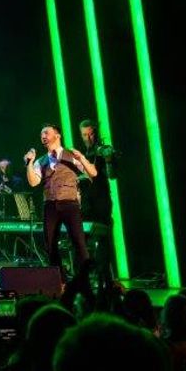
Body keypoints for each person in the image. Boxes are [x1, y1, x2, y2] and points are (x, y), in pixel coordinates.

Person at [25, 123, 93, 278]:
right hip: (50, 205)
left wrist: (82, 160)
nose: (43, 136)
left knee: (78, 242)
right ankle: (59, 280)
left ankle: (84, 278)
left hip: (70, 203)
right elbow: (34, 182)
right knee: (50, 244)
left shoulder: (71, 155)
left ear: (57, 135)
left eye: (46, 133)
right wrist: (29, 164)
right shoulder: (41, 161)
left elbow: (91, 173)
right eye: (41, 134)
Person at [78, 118, 118, 290]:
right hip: (85, 206)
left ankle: (106, 284)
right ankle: (83, 283)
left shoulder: (103, 150)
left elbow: (112, 175)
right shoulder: (81, 155)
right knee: (79, 243)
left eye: (91, 133)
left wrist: (109, 160)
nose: (89, 138)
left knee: (103, 244)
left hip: (101, 205)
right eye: (85, 135)